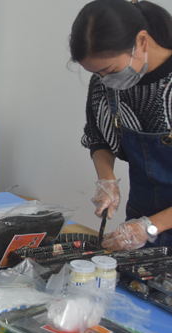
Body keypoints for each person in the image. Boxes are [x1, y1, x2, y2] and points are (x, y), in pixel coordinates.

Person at [69, 0, 172, 251]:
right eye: (96, 74)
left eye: (109, 70)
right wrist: (107, 180)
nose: (105, 80)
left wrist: (150, 226)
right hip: (140, 220)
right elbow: (98, 136)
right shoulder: (107, 81)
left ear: (142, 42)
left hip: (149, 226)